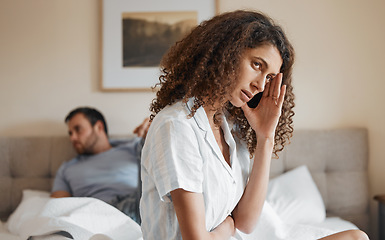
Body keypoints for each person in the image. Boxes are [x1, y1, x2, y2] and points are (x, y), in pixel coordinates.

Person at [139, 10, 369, 240]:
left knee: (356, 237)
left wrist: (265, 137)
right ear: (225, 53)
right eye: (257, 65)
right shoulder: (177, 126)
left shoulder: (228, 129)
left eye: (269, 77)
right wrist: (228, 228)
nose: (260, 85)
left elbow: (247, 222)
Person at [51, 107, 150, 224]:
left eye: (78, 129)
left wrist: (152, 130)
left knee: (147, 143)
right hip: (97, 212)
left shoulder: (133, 148)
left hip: (138, 204)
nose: (72, 137)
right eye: (70, 133)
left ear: (99, 127)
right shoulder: (67, 168)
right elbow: (57, 207)